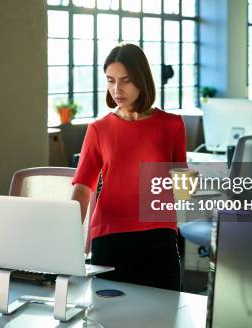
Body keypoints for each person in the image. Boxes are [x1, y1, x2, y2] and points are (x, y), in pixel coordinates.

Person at [71, 43, 187, 291]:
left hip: (159, 238)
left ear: (142, 79)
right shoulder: (98, 129)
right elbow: (82, 189)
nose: (117, 89)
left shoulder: (173, 125)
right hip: (109, 238)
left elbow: (183, 189)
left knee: (164, 318)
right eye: (110, 80)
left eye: (125, 80)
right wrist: (65, 239)